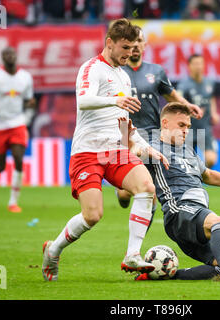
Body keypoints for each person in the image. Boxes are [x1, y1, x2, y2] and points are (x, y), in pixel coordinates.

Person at [41, 18, 169, 282]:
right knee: (92, 215)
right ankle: (53, 250)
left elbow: (126, 124)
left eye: (134, 47)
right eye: (125, 47)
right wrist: (117, 99)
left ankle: (133, 254)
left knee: (147, 188)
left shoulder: (123, 75)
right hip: (87, 151)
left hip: (115, 149)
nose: (130, 53)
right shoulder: (92, 68)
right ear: (109, 43)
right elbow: (84, 101)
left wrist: (145, 148)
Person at [125, 103, 220, 281]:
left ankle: (166, 276)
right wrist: (128, 139)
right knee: (219, 222)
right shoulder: (153, 148)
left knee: (219, 265)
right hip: (179, 212)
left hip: (195, 217)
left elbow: (208, 175)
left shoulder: (187, 150)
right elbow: (134, 153)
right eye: (181, 125)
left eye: (188, 126)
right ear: (165, 123)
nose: (186, 130)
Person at [115, 25, 203, 213]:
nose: (136, 45)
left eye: (140, 41)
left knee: (150, 193)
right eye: (133, 42)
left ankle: (136, 242)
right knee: (124, 194)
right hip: (125, 135)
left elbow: (171, 96)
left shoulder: (156, 71)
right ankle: (122, 194)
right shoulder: (117, 72)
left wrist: (188, 106)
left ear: (145, 44)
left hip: (151, 136)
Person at [0, 46, 36, 213]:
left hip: (17, 123)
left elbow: (29, 100)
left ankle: (13, 202)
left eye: (11, 54)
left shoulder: (25, 77)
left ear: (16, 56)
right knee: (0, 167)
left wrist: (30, 103)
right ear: (3, 58)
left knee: (18, 159)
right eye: (6, 55)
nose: (9, 56)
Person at [177, 54, 220, 168]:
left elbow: (211, 98)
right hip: (189, 129)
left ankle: (200, 174)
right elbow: (177, 102)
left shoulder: (209, 83)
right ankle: (194, 178)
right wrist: (190, 110)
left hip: (205, 128)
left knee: (211, 160)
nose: (198, 66)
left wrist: (214, 113)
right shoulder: (184, 85)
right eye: (195, 64)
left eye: (200, 63)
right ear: (189, 66)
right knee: (187, 163)